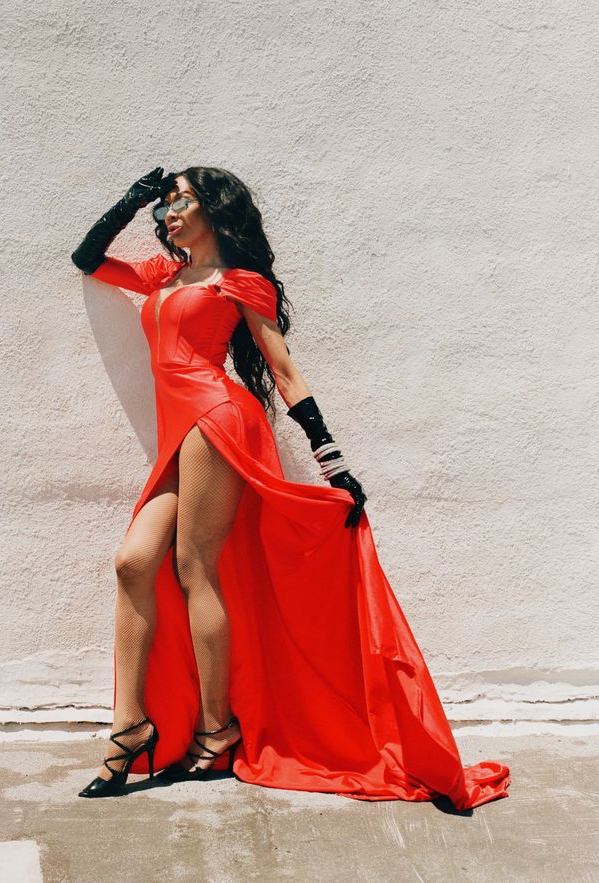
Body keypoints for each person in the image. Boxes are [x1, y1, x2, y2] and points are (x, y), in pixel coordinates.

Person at [70, 166, 510, 808]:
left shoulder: (239, 282)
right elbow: (88, 259)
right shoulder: (164, 276)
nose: (168, 216)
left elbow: (281, 367)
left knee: (196, 569)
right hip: (177, 432)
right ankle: (133, 725)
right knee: (134, 562)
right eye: (164, 206)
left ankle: (215, 731)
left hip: (218, 418)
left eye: (180, 202)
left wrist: (331, 459)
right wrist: (132, 199)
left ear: (216, 210)